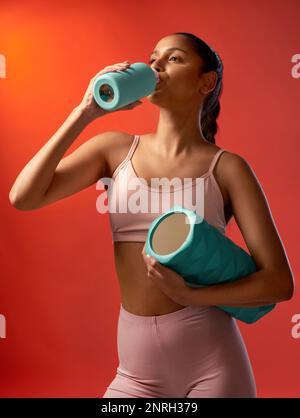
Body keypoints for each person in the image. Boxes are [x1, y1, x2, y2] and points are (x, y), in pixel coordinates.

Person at [9, 32, 294, 398]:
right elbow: (24, 196)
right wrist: (84, 113)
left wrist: (191, 295)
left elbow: (279, 284)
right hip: (135, 374)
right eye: (153, 57)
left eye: (174, 59)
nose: (156, 66)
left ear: (206, 82)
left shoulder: (227, 168)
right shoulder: (115, 149)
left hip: (213, 366)